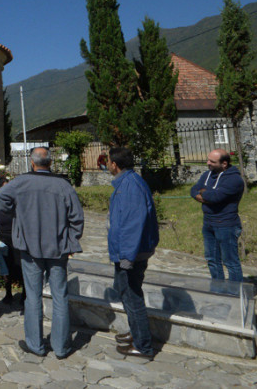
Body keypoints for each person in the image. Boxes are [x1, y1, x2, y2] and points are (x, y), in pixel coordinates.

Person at [0, 147, 84, 358]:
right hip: (58, 248)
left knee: (33, 297)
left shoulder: (20, 183)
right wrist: (71, 240)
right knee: (60, 296)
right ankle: (62, 347)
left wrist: (17, 213)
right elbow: (77, 218)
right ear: (50, 163)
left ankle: (35, 344)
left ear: (32, 163)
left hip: (30, 248)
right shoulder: (63, 185)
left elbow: (1, 197)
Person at [106, 147, 159, 359]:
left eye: (107, 161)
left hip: (131, 254)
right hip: (129, 252)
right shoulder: (127, 183)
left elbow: (132, 224)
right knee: (123, 291)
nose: (107, 164)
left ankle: (143, 345)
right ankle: (136, 332)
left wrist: (127, 256)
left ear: (114, 164)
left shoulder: (129, 187)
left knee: (132, 296)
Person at [190, 149, 245, 282]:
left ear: (224, 164)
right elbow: (193, 190)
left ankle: (235, 293)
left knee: (230, 261)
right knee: (212, 260)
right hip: (208, 223)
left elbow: (215, 197)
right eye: (208, 159)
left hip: (226, 225)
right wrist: (205, 195)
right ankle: (218, 289)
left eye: (212, 161)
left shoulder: (234, 180)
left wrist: (204, 193)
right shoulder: (207, 175)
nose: (208, 163)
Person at [0, 175, 23, 305]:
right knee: (6, 267)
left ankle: (24, 295)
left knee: (20, 267)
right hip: (4, 239)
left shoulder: (17, 203)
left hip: (17, 238)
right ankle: (8, 293)